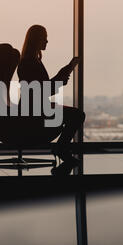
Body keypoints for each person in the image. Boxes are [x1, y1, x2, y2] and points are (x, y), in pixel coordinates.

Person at [17, 25, 85, 176]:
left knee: (75, 114)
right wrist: (60, 78)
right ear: (36, 40)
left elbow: (41, 90)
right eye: (44, 37)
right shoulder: (30, 62)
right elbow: (41, 90)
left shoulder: (30, 60)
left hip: (34, 107)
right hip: (35, 111)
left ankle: (61, 147)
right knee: (78, 115)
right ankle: (61, 148)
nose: (47, 41)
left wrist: (59, 79)